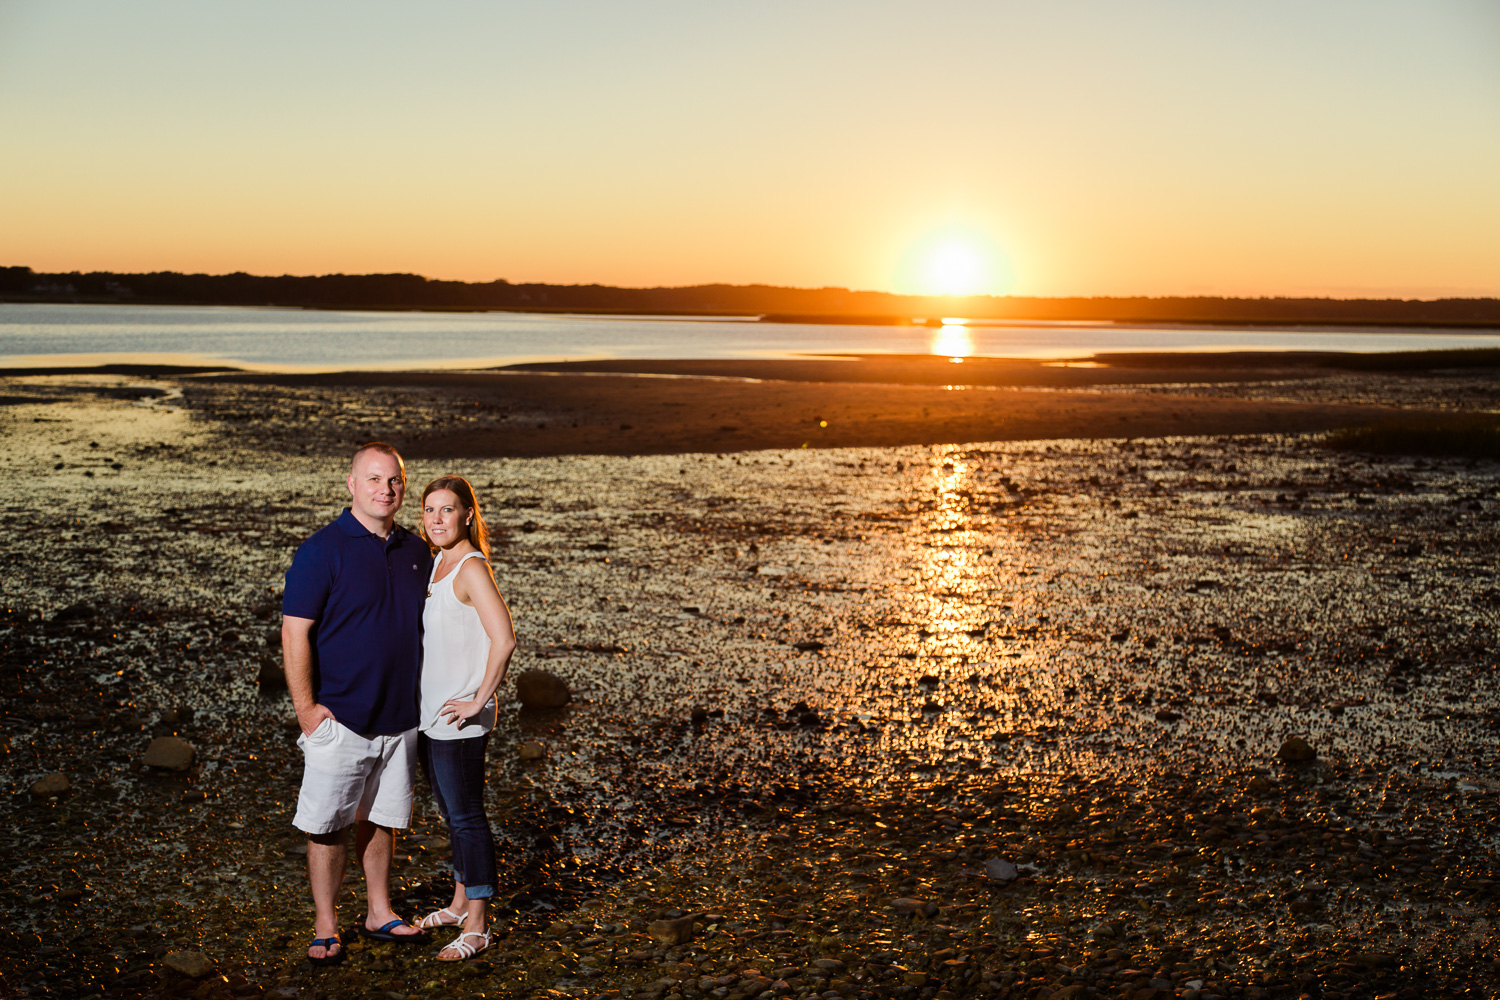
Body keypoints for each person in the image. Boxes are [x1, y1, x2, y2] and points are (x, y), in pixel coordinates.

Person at [282, 442, 434, 966]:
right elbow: (294, 632)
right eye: (373, 479)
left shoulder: (416, 551)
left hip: (400, 717)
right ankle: (326, 923)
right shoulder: (321, 550)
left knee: (380, 818)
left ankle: (378, 910)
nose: (384, 489)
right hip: (339, 716)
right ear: (351, 484)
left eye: (393, 480)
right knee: (327, 824)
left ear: (403, 486)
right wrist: (305, 708)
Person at [413, 475, 517, 962]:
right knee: (451, 817)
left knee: (468, 818)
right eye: (430, 510)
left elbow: (505, 638)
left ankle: (477, 925)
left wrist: (479, 700)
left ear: (467, 516)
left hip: (461, 718)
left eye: (447, 510)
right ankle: (458, 903)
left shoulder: (471, 567)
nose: (436, 519)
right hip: (432, 716)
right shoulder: (437, 562)